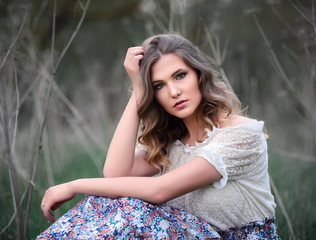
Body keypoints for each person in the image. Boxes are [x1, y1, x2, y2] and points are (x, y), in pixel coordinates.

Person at [37, 34, 279, 239]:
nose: (174, 92)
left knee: (132, 211)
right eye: (159, 86)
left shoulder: (241, 136)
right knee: (105, 203)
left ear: (199, 74)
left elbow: (159, 190)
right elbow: (115, 174)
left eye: (180, 75)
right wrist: (139, 92)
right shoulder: (173, 143)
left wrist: (74, 186)